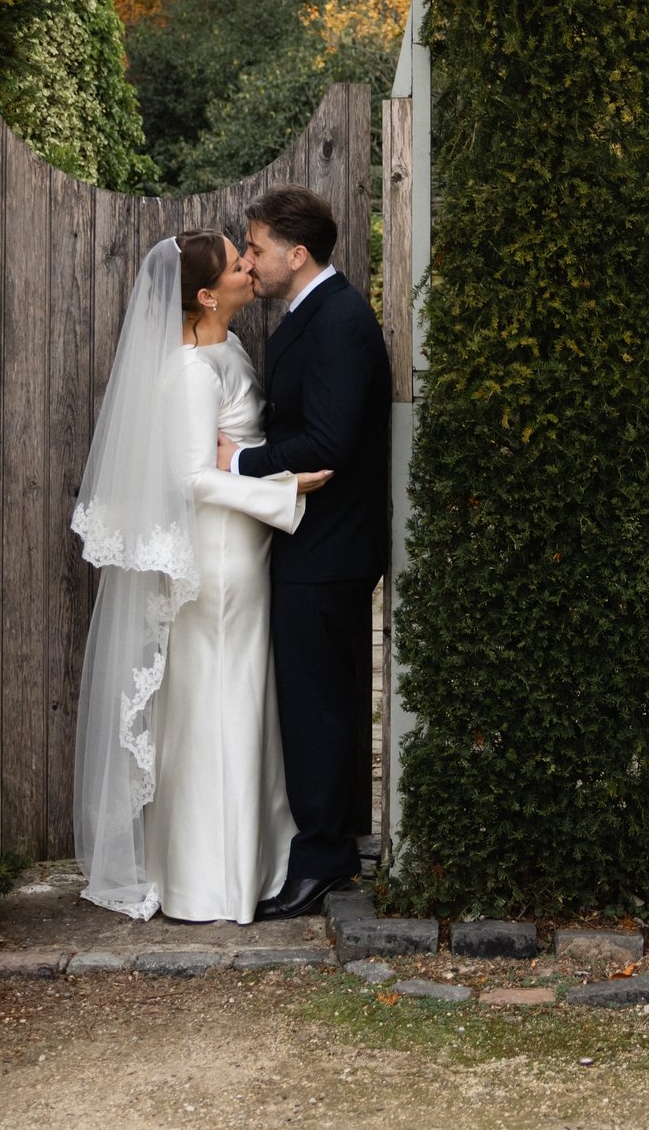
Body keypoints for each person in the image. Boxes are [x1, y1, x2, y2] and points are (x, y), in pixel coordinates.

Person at [68, 230, 331, 923]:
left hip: (245, 553)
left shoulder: (230, 347)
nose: (252, 263)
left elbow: (229, 447)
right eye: (238, 259)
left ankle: (258, 860)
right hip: (216, 560)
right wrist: (284, 487)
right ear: (208, 293)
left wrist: (252, 459)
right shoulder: (189, 371)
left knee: (244, 702)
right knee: (220, 704)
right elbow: (190, 479)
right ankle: (210, 879)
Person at [222, 186, 392, 920]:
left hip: (328, 548)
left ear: (298, 253)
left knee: (318, 706)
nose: (249, 261)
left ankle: (323, 858)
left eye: (255, 248)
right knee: (312, 702)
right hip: (309, 542)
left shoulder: (341, 322)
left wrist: (237, 462)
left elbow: (328, 441)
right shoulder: (306, 314)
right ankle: (323, 844)